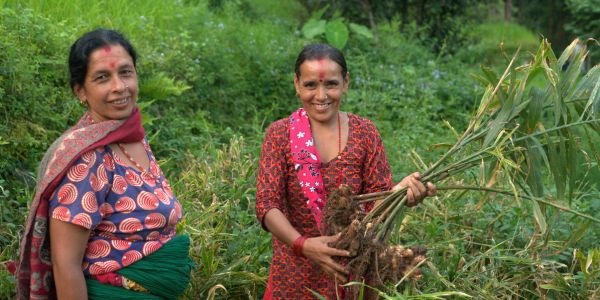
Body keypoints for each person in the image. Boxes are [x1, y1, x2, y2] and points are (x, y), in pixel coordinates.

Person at [15, 29, 194, 299]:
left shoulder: (131, 135)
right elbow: (66, 265)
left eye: (126, 72)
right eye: (102, 77)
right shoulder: (88, 160)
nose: (119, 87)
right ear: (80, 91)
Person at [255, 43, 436, 299]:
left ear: (345, 82)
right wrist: (302, 245)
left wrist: (400, 193)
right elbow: (266, 204)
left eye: (330, 84)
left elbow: (376, 203)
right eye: (310, 85)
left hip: (352, 273)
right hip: (293, 276)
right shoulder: (280, 135)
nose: (321, 95)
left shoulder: (365, 133)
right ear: (296, 84)